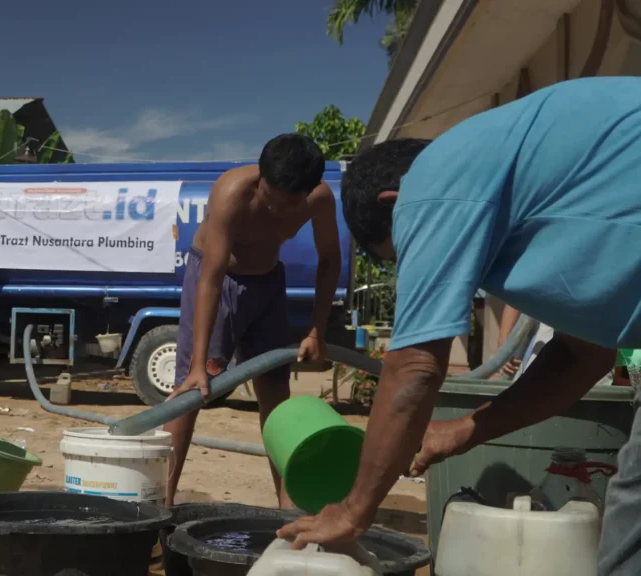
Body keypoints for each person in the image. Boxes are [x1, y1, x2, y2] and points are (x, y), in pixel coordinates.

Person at [274, 77, 641, 576]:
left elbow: (416, 366)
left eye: (404, 252)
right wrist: (463, 430)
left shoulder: (433, 180)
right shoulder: (526, 176)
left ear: (392, 201)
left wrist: (352, 512)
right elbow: (583, 356)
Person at [165, 133, 342, 508]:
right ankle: (159, 503)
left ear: (310, 191)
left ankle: (287, 508)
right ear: (260, 178)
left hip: (268, 284)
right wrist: (199, 366)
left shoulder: (320, 199)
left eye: (289, 204)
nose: (278, 210)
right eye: (270, 198)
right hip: (219, 280)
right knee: (188, 395)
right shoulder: (231, 193)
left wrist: (317, 331)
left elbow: (330, 261)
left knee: (276, 397)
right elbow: (211, 275)